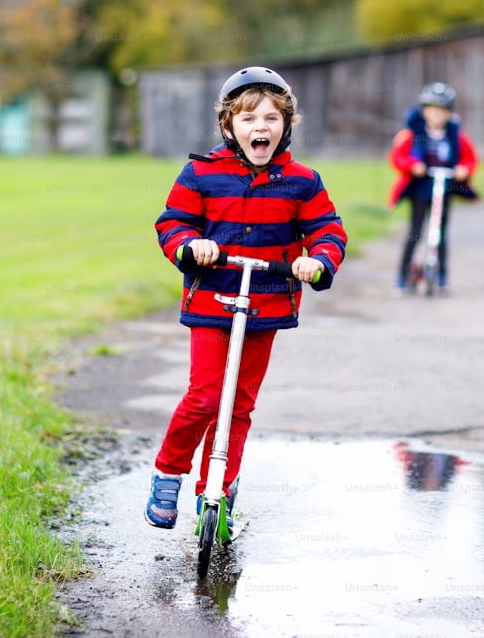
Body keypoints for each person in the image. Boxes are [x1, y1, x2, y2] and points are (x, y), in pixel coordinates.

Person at [146, 66, 348, 529]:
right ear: (229, 126)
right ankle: (168, 472)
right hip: (212, 299)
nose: (262, 127)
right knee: (204, 396)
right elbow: (172, 222)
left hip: (269, 302)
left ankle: (218, 488)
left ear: (286, 125)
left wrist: (317, 260)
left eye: (272, 119)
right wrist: (189, 245)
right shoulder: (202, 173)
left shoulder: (302, 181)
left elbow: (327, 230)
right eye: (250, 119)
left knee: (239, 403)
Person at [388, 82, 479, 293]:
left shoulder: (456, 136)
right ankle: (403, 275)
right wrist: (413, 165)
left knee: (440, 233)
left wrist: (463, 170)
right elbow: (397, 157)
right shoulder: (412, 134)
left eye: (442, 111)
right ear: (424, 111)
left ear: (449, 113)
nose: (437, 115)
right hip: (420, 189)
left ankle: (442, 276)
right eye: (432, 110)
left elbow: (469, 158)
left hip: (443, 188)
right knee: (415, 231)